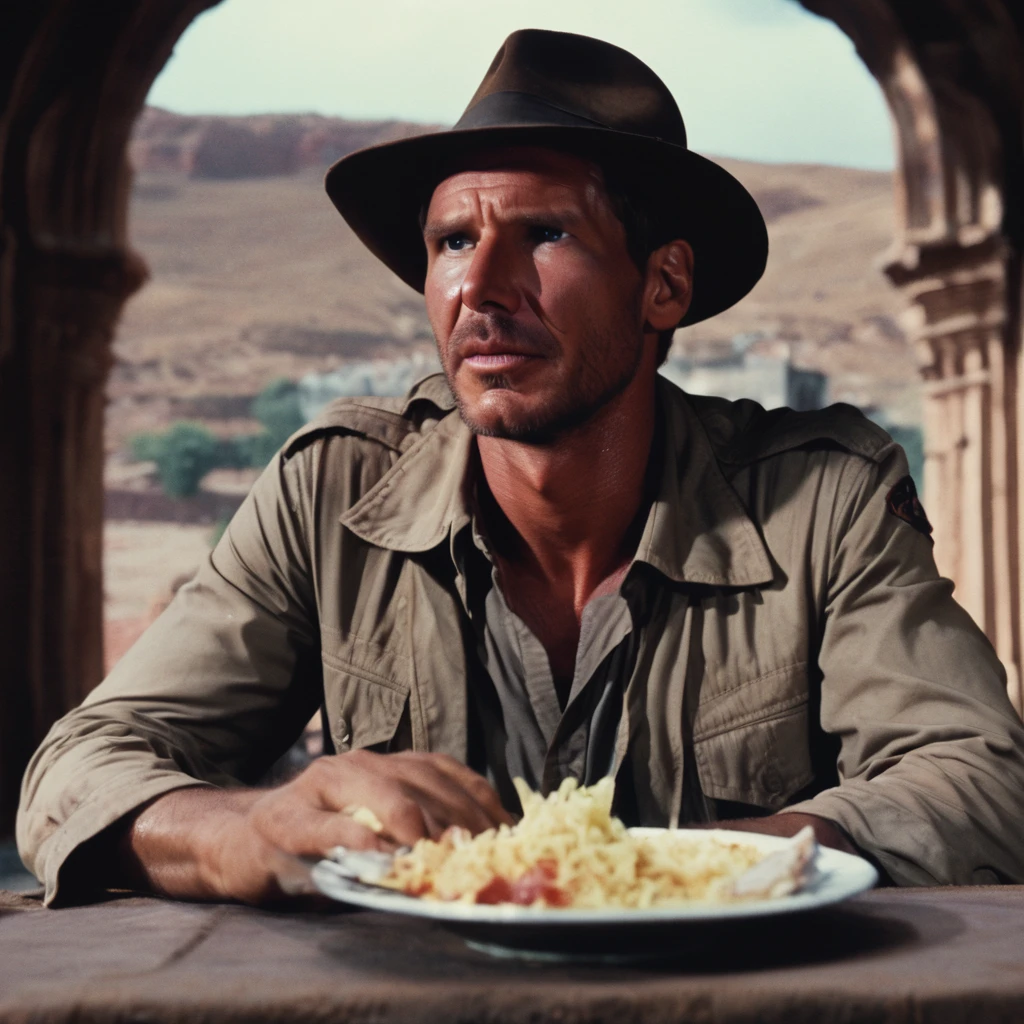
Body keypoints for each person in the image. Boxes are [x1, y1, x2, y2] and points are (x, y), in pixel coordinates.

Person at [18, 29, 1024, 906]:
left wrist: (686, 873)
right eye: (454, 240)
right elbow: (80, 767)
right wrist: (249, 826)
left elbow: (979, 778)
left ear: (662, 284)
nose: (481, 288)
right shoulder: (331, 490)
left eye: (544, 234)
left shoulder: (823, 500)